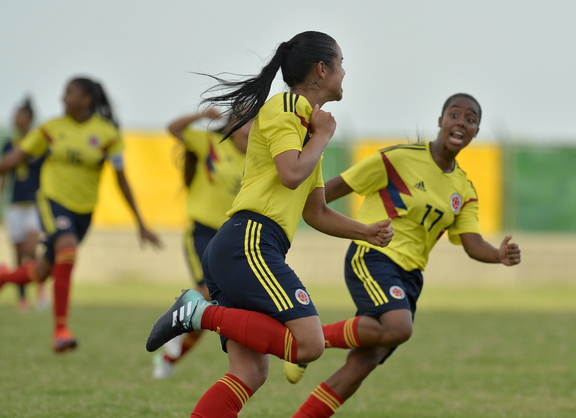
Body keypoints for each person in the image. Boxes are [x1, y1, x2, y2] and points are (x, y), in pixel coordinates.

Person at [145, 31, 394, 417]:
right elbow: (291, 173)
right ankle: (197, 313)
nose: (345, 72)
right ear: (322, 69)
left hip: (242, 246)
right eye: (341, 63)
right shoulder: (287, 106)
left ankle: (199, 313)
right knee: (308, 344)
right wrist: (325, 136)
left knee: (249, 372)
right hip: (250, 242)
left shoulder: (306, 126)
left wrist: (366, 232)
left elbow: (316, 212)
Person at [286, 93, 522, 418]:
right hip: (373, 256)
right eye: (455, 115)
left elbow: (471, 243)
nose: (461, 123)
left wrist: (499, 254)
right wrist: (292, 201)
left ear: (476, 131)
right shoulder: (398, 158)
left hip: (410, 277)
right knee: (400, 327)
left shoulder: (463, 189)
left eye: (470, 120)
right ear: (440, 121)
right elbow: (335, 187)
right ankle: (307, 340)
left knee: (363, 363)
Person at [0, 76, 162, 352]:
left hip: (84, 211)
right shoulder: (51, 129)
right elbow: (11, 161)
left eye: (69, 93)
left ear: (86, 99)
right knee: (67, 249)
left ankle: (5, 278)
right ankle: (61, 330)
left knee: (43, 270)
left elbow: (122, 180)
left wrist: (140, 223)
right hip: (52, 201)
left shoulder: (107, 134)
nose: (63, 98)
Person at [152, 108, 252, 378]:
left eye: (254, 122)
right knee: (205, 292)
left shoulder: (259, 159)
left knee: (214, 308)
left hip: (233, 238)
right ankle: (176, 323)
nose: (249, 128)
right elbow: (173, 128)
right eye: (243, 122)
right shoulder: (211, 145)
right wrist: (201, 114)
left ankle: (169, 358)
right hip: (203, 231)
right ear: (231, 125)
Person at [0, 97, 48, 311]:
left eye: (19, 115)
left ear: (28, 118)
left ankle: (41, 282)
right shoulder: (10, 144)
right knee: (18, 253)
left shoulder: (39, 143)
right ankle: (22, 298)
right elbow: (4, 174)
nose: (15, 118)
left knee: (31, 247)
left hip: (35, 203)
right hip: (15, 204)